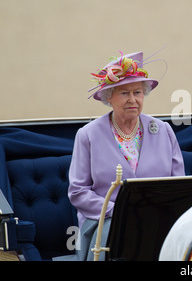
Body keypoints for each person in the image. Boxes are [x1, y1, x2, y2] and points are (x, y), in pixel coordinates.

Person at [61, 51, 185, 260]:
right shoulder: (88, 135)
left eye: (137, 92)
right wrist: (120, 212)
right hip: (107, 223)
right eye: (124, 93)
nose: (132, 100)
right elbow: (78, 192)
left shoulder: (163, 130)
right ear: (109, 97)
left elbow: (178, 185)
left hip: (157, 219)